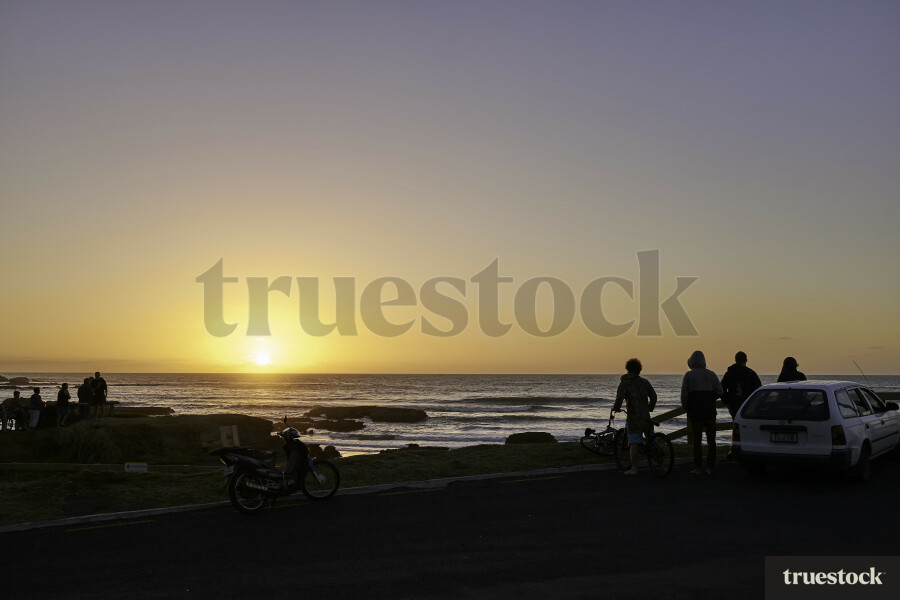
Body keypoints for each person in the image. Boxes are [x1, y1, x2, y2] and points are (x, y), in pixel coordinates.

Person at [613, 358, 658, 475]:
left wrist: (616, 408)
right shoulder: (645, 382)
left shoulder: (624, 383)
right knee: (651, 438)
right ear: (639, 369)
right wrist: (650, 407)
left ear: (627, 369)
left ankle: (634, 469)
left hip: (633, 417)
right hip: (645, 416)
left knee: (633, 442)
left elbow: (619, 398)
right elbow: (653, 396)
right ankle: (660, 463)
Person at [681, 351, 723, 475]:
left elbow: (684, 395)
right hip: (710, 412)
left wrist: (686, 407)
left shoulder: (689, 375)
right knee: (712, 441)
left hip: (695, 412)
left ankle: (698, 467)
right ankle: (710, 467)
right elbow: (720, 391)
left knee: (696, 441)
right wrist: (710, 398)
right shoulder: (712, 374)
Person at [721, 351, 762, 419]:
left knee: (736, 424)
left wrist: (726, 401)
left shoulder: (729, 373)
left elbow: (722, 388)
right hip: (748, 405)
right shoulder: (751, 373)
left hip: (734, 405)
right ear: (746, 360)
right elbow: (758, 390)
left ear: (735, 360)